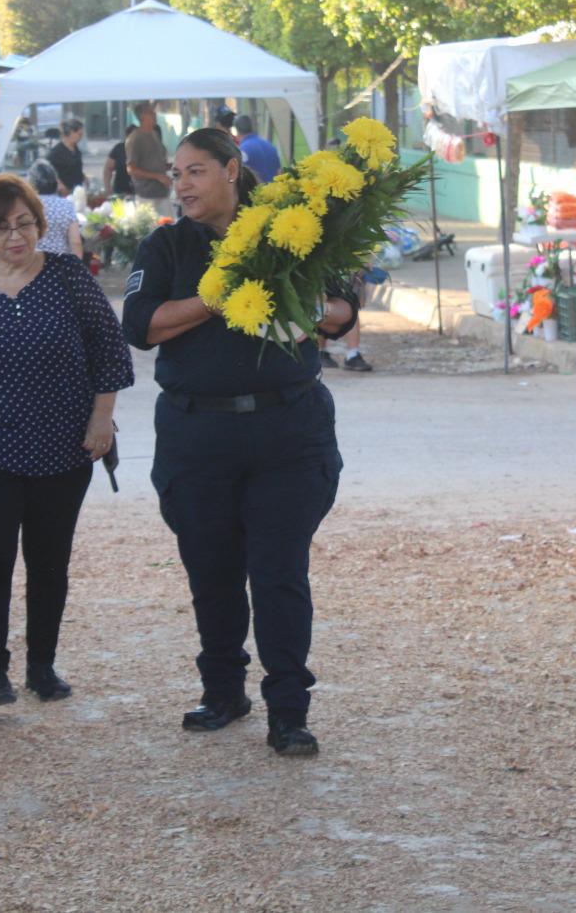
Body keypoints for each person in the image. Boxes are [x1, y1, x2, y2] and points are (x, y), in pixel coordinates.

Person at [121, 127, 357, 757]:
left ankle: (289, 710)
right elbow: (140, 327)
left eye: (195, 171)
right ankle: (223, 691)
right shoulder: (168, 245)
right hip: (197, 436)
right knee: (212, 571)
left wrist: (301, 299)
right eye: (175, 174)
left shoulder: (293, 229)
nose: (181, 185)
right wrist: (213, 295)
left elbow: (343, 311)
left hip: (288, 433)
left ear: (231, 170)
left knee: (279, 573)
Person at [0, 174, 134, 708]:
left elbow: (109, 349)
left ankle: (42, 666)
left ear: (39, 224)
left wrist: (101, 420)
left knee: (49, 560)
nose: (15, 236)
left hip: (64, 443)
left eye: (25, 224)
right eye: (1, 228)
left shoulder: (67, 277)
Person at [27, 160, 85, 258]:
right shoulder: (66, 205)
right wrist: (77, 266)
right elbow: (75, 242)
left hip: (32, 263)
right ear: (56, 181)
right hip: (60, 264)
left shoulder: (28, 205)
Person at [126, 101, 172, 213]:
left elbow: (155, 162)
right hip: (146, 195)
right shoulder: (135, 138)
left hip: (162, 192)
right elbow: (131, 169)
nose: (155, 114)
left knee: (168, 225)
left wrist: (169, 167)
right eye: (151, 112)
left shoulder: (155, 134)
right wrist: (158, 176)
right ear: (143, 116)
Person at [234, 114, 281, 185]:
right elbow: (279, 172)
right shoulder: (270, 146)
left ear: (237, 131)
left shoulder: (242, 151)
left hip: (255, 193)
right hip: (273, 192)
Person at [46, 118, 87, 194]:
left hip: (77, 190)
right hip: (63, 192)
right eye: (79, 134)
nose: (81, 137)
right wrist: (60, 185)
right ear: (70, 133)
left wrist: (84, 178)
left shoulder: (76, 150)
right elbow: (49, 172)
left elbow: (76, 168)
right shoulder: (56, 153)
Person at [102, 124, 137, 196]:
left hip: (138, 193)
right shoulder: (119, 149)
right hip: (120, 191)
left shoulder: (142, 150)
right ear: (127, 136)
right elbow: (108, 169)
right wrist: (108, 188)